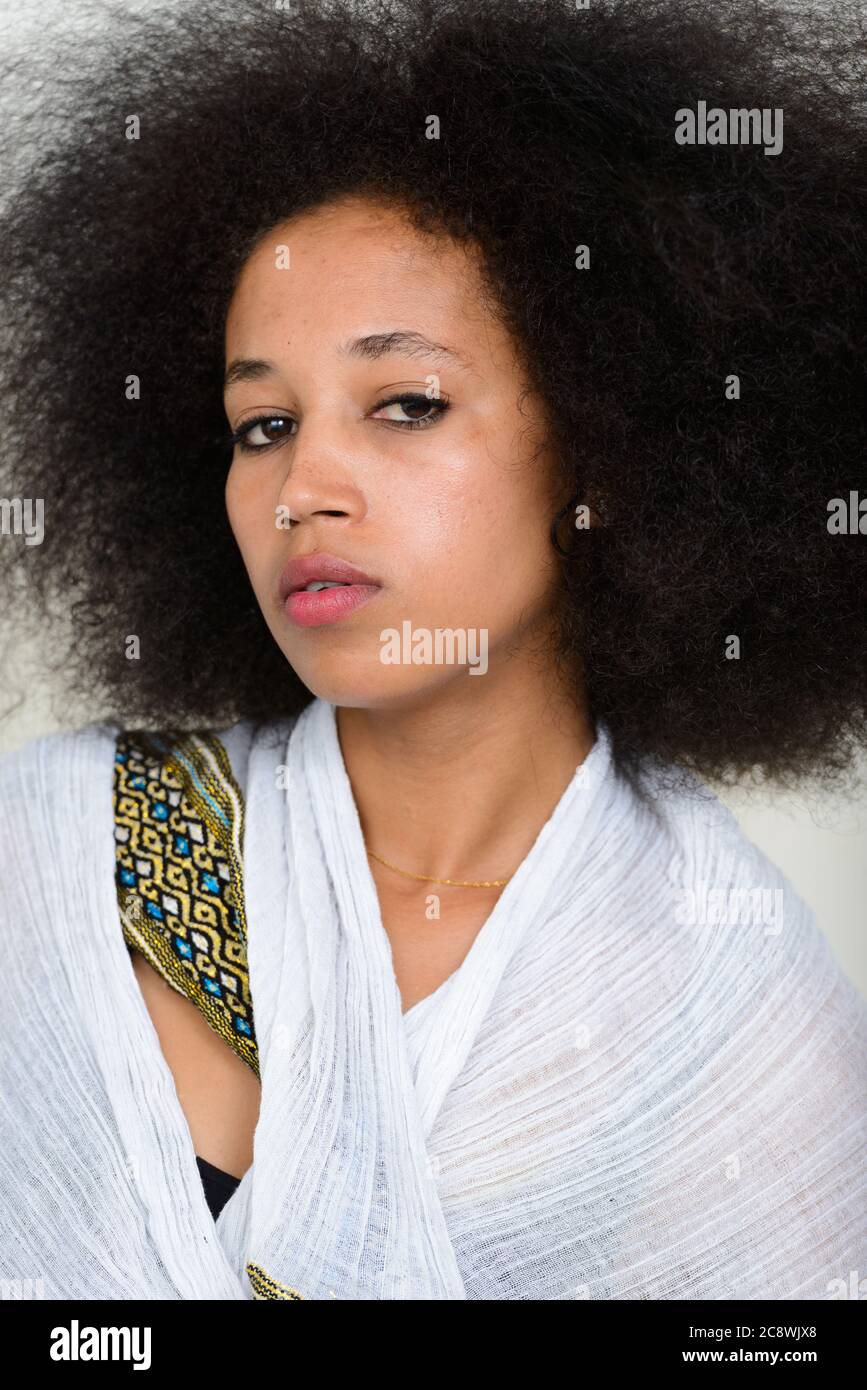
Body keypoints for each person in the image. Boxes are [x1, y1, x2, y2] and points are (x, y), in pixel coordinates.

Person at [0, 0, 865, 1300]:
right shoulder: (45, 860)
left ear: (604, 445)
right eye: (260, 425)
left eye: (405, 404)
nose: (305, 487)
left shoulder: (732, 1014)